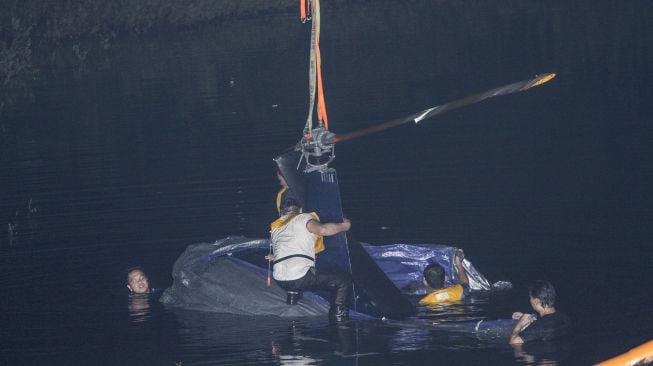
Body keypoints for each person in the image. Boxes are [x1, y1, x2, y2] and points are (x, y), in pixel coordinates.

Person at [269, 198, 352, 323]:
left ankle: (293, 296)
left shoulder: (276, 228)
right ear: (301, 210)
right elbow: (323, 230)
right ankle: (339, 321)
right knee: (343, 280)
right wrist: (344, 226)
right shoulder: (304, 218)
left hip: (280, 279)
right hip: (297, 277)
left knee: (301, 270)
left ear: (282, 213)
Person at [509, 280, 570, 344]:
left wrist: (520, 323)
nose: (530, 300)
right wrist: (525, 318)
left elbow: (513, 341)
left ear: (536, 300)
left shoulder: (539, 326)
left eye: (530, 298)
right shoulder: (564, 317)